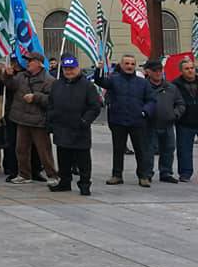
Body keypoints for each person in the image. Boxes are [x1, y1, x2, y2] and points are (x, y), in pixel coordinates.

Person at [94, 53, 157, 187]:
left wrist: (145, 111)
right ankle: (117, 175)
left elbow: (151, 100)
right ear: (121, 65)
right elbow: (100, 81)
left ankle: (143, 176)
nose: (129, 66)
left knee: (140, 150)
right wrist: (98, 69)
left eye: (132, 64)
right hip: (118, 121)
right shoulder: (114, 79)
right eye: (127, 63)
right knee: (118, 150)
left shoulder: (143, 83)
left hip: (138, 121)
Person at [47, 54, 101, 195]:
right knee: (63, 159)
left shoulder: (87, 86)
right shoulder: (57, 84)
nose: (69, 71)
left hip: (79, 129)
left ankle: (84, 185)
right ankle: (64, 182)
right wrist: (52, 120)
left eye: (71, 68)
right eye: (66, 69)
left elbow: (95, 107)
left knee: (83, 160)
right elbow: (51, 104)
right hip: (62, 128)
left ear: (77, 68)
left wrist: (84, 121)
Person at [5, 53, 59, 186]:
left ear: (39, 63)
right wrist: (7, 75)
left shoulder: (49, 80)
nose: (27, 63)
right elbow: (10, 86)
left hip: (38, 121)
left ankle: (52, 175)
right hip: (21, 119)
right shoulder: (21, 76)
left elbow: (52, 100)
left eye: (30, 61)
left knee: (44, 150)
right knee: (21, 149)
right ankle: (24, 174)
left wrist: (36, 97)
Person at [143, 59, 184, 184]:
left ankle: (166, 172)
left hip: (168, 124)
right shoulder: (143, 87)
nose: (158, 73)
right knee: (149, 151)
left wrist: (175, 114)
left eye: (160, 70)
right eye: (155, 71)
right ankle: (147, 173)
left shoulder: (171, 87)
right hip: (150, 124)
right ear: (148, 72)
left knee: (168, 149)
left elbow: (180, 103)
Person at [174, 57, 198, 183]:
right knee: (184, 149)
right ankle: (185, 173)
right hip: (184, 122)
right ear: (181, 71)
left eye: (192, 68)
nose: (190, 71)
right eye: (187, 69)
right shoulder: (175, 85)